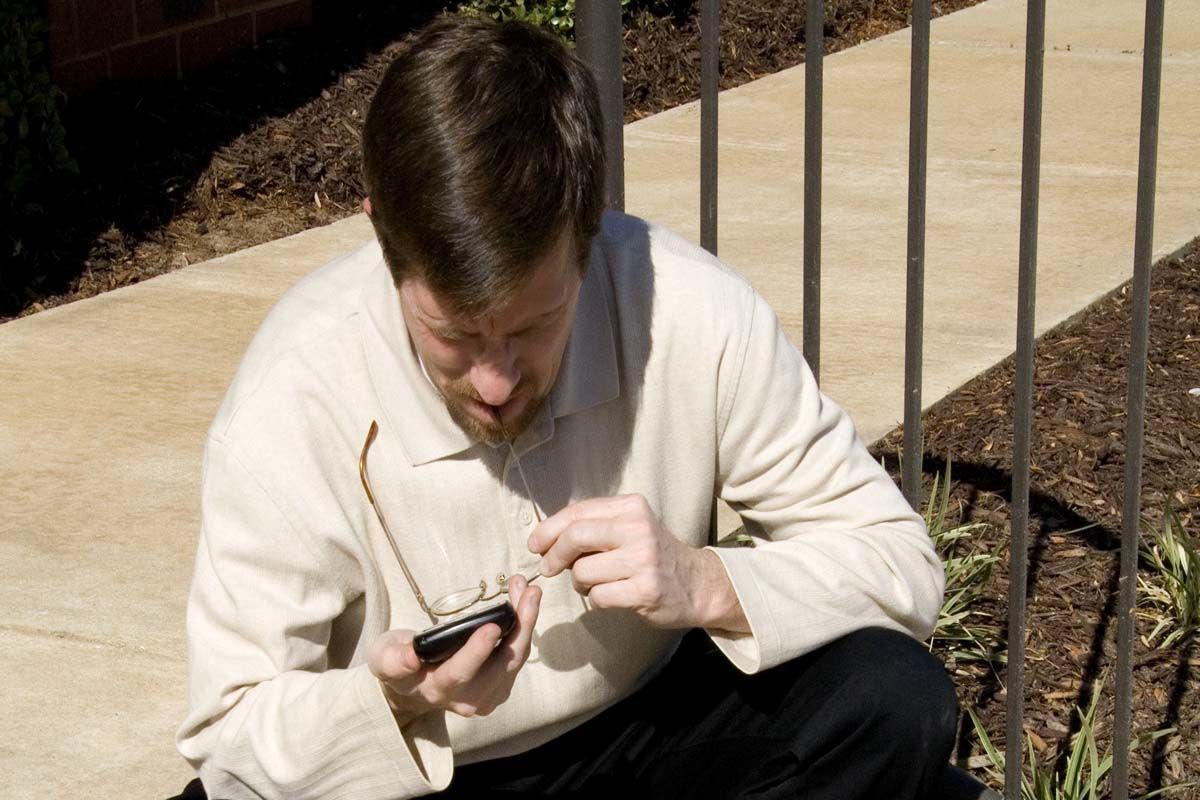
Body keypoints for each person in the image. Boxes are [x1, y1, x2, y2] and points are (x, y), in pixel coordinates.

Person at [172, 14, 958, 800]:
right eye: (453, 334)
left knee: (889, 697)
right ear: (383, 239)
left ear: (589, 233)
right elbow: (229, 740)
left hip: (651, 727)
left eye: (534, 324)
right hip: (424, 777)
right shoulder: (293, 393)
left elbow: (899, 566)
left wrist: (705, 580)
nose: (495, 379)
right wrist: (395, 702)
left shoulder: (694, 310)